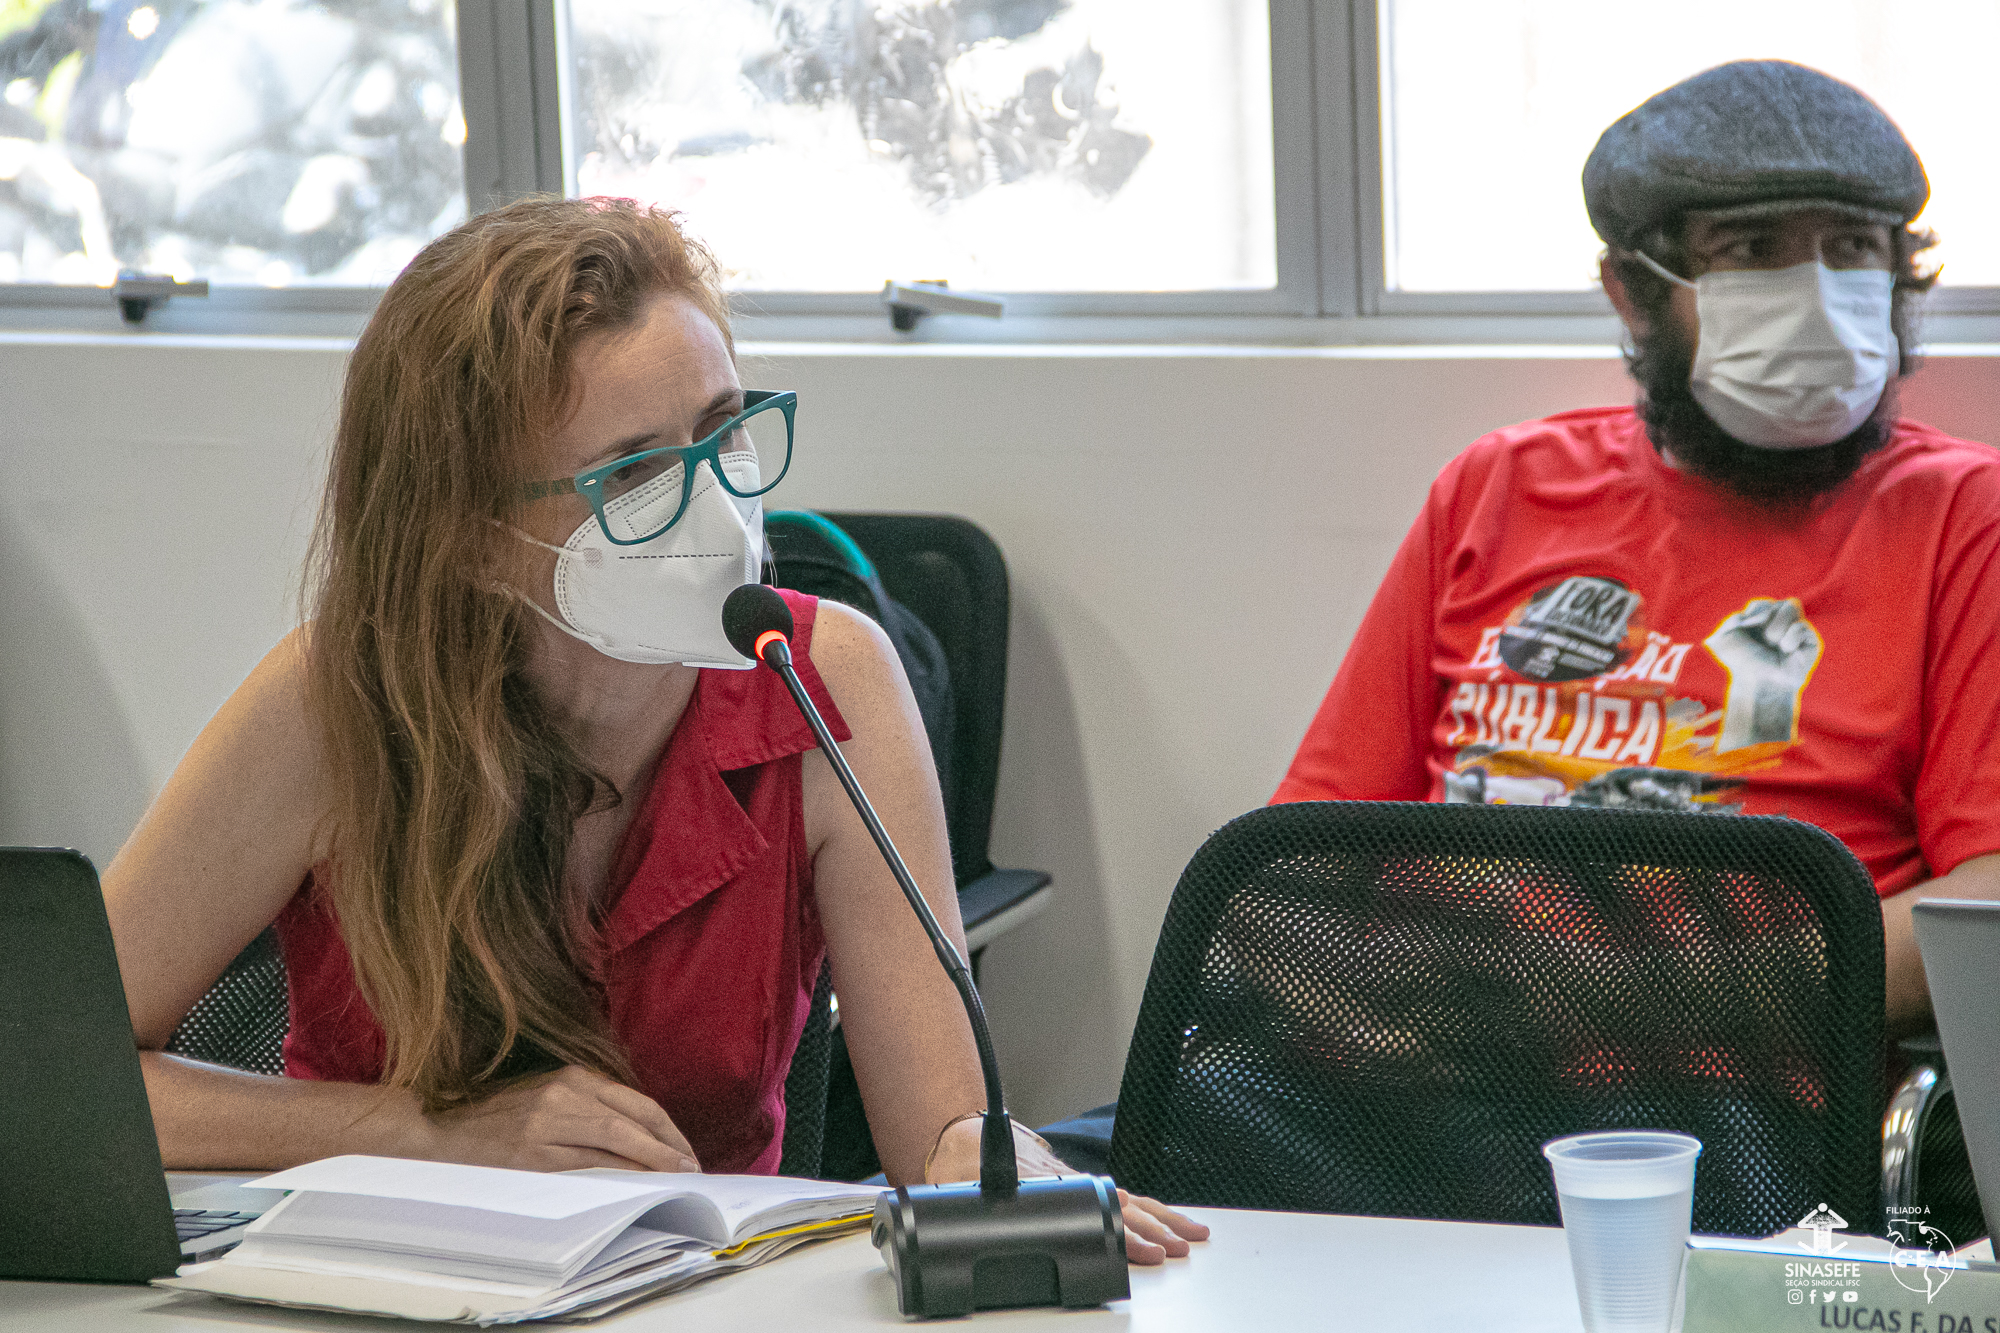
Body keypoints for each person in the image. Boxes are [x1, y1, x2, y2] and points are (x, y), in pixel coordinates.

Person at [103, 196, 1205, 1263]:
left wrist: (989, 1157)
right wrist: (423, 1130)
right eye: (634, 473)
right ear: (467, 534)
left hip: (704, 1288)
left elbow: (940, 1137)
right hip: (368, 1281)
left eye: (724, 433)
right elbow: (60, 1076)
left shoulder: (828, 678)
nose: (715, 506)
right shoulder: (331, 703)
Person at [1273, 61, 2000, 1036]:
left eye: (1851, 248)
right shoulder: (1498, 486)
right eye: (1750, 250)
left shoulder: (1963, 517)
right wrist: (1344, 1021)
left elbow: (1983, 901)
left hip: (1733, 1075)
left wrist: (1619, 1001)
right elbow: (1303, 850)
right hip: (1422, 1056)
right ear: (1631, 291)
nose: (1816, 301)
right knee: (1105, 1138)